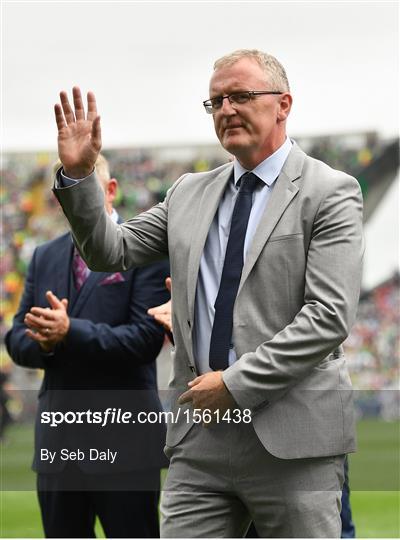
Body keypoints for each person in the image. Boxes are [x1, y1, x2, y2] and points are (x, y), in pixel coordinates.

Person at [52, 49, 363, 538]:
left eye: (241, 96)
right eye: (215, 101)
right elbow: (110, 251)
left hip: (292, 440)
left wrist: (234, 384)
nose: (226, 110)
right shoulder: (188, 193)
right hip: (201, 441)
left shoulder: (329, 190)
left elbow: (327, 317)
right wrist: (79, 176)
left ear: (283, 104)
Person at [5, 154, 170, 538]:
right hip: (59, 447)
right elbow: (16, 338)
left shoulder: (146, 248)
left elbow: (145, 341)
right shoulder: (43, 256)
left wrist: (69, 331)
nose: (77, 204)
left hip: (124, 445)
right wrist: (44, 343)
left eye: (88, 192)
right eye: (69, 195)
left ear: (110, 191)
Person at [149, 284, 357, 539]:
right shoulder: (209, 256)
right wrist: (189, 316)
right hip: (211, 434)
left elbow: (327, 316)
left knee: (337, 527)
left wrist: (232, 384)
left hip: (296, 429)